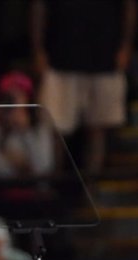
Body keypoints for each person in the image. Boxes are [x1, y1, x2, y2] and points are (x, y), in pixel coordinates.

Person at [31, 0, 136, 174]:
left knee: (98, 128)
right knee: (55, 128)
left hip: (104, 56)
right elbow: (39, 7)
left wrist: (125, 46)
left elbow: (129, 6)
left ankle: (91, 187)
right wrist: (38, 50)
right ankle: (51, 184)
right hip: (61, 56)